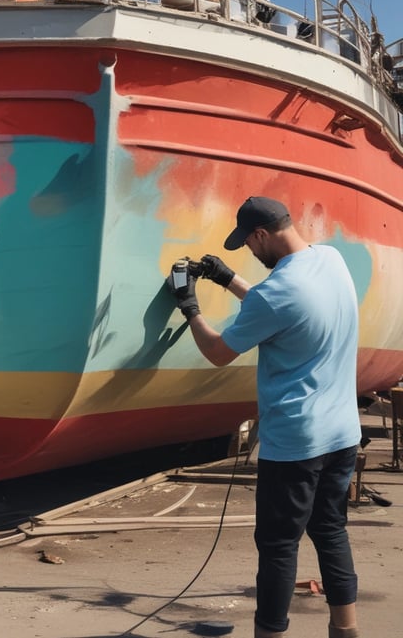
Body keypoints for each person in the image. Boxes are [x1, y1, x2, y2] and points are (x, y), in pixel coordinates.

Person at [166, 197, 361, 638]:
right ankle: (346, 630)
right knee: (331, 532)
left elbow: (218, 352)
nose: (251, 255)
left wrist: (189, 306)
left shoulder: (276, 294)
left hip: (295, 444)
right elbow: (287, 311)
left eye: (249, 248)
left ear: (260, 235)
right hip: (342, 434)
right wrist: (228, 278)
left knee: (277, 547)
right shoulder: (330, 260)